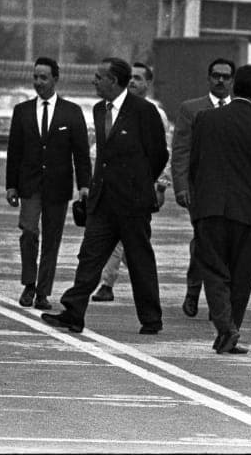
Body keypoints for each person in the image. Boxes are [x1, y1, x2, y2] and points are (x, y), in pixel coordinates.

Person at [41, 58, 169, 335]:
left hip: (133, 202)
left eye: (99, 77)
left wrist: (140, 182)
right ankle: (74, 312)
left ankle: (151, 318)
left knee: (139, 260)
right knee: (89, 257)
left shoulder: (144, 111)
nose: (94, 81)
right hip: (103, 200)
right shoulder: (100, 110)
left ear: (113, 80)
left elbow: (159, 154)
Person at [188, 65, 251, 354]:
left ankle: (225, 328)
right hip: (249, 209)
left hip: (211, 206)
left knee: (214, 270)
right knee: (241, 275)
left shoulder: (205, 119)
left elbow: (195, 163)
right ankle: (231, 329)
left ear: (233, 85)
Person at [4, 57, 92, 310]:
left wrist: (84, 184)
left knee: (52, 239)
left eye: (43, 77)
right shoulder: (22, 111)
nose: (38, 82)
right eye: (35, 77)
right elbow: (14, 151)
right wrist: (11, 185)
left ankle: (43, 292)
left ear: (55, 79)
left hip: (58, 187)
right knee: (29, 232)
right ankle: (29, 283)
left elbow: (81, 153)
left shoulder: (71, 112)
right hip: (29, 185)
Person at [94, 61, 171, 303]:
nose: (134, 82)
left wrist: (158, 185)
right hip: (111, 190)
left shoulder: (154, 113)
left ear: (148, 83)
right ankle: (106, 283)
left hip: (138, 191)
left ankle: (118, 286)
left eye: (139, 78)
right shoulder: (110, 109)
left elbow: (162, 152)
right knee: (118, 242)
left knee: (134, 245)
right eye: (132, 78)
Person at [171, 58, 235, 318]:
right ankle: (195, 289)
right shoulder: (191, 109)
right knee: (205, 241)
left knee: (227, 245)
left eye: (226, 76)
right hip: (200, 190)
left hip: (233, 190)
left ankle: (218, 299)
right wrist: (181, 186)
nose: (220, 80)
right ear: (209, 79)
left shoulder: (241, 110)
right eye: (216, 76)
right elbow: (181, 150)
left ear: (232, 81)